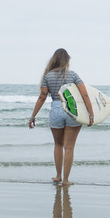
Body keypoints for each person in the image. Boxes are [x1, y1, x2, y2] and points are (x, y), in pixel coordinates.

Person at [28, 48, 95, 186]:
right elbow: (85, 95)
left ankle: (58, 176)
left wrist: (32, 116)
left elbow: (42, 97)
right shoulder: (73, 75)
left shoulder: (48, 76)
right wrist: (91, 114)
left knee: (58, 145)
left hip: (56, 110)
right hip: (72, 109)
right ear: (67, 61)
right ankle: (65, 180)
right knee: (69, 147)